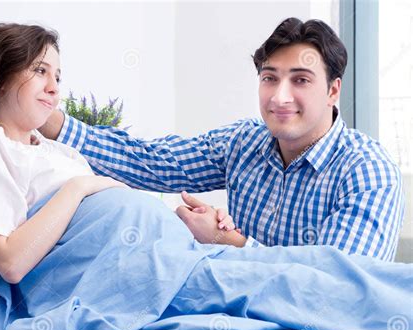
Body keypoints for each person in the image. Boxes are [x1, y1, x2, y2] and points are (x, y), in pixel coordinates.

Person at [39, 17, 405, 261]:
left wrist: (231, 243)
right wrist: (51, 121)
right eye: (269, 78)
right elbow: (155, 163)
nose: (279, 97)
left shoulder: (366, 171)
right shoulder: (244, 141)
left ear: (333, 91)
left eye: (301, 80)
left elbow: (336, 286)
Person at [0, 23, 237, 284]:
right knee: (264, 280)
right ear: (1, 77)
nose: (54, 89)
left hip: (168, 253)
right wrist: (79, 187)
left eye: (58, 77)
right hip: (129, 275)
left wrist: (198, 229)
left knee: (267, 268)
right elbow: (11, 263)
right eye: (40, 71)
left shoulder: (60, 152)